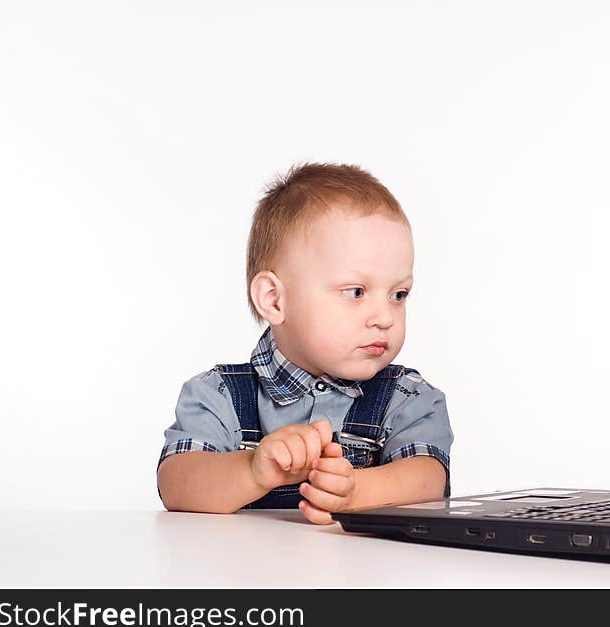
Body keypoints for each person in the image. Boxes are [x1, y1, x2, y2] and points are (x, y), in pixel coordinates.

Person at [156, 163, 453, 523]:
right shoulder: (217, 395)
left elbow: (428, 479)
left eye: (398, 294)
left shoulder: (409, 398)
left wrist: (356, 491)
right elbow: (176, 484)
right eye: (356, 292)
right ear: (275, 300)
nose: (385, 317)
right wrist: (252, 469)